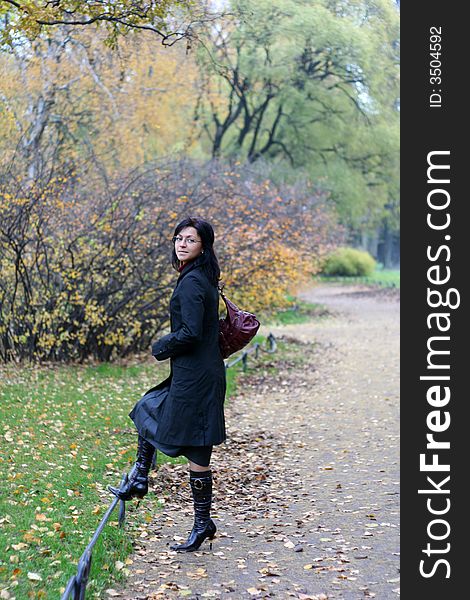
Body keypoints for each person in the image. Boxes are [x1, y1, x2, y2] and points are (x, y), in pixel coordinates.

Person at [108, 216, 226, 552]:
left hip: (195, 375)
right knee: (165, 419)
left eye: (191, 239)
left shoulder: (191, 282)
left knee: (153, 412)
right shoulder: (202, 277)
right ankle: (149, 484)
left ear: (204, 246)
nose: (182, 243)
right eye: (178, 238)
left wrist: (161, 346)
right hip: (203, 371)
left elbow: (189, 332)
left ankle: (146, 482)